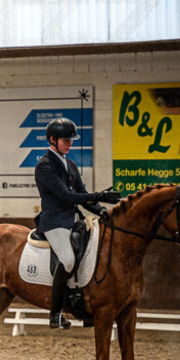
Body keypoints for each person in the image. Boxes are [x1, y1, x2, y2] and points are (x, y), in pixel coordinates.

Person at [34, 117, 120, 329]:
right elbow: (65, 196)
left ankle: (82, 303)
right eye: (65, 140)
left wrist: (101, 210)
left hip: (73, 220)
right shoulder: (45, 166)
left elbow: (82, 195)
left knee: (94, 253)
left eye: (71, 140)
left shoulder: (70, 164)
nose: (69, 143)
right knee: (68, 260)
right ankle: (55, 314)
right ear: (52, 139)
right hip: (54, 222)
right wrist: (98, 195)